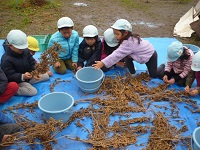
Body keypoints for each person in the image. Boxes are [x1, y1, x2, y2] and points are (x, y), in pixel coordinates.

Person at [92, 19, 158, 78]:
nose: (115, 36)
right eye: (114, 34)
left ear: (126, 33)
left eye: (117, 34)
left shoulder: (128, 43)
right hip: (137, 55)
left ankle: (162, 68)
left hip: (150, 56)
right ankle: (133, 74)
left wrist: (102, 63)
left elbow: (116, 54)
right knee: (127, 57)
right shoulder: (127, 38)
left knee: (153, 75)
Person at [1, 30, 49, 96]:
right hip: (18, 80)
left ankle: (28, 84)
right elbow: (9, 76)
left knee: (46, 75)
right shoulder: (6, 59)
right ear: (11, 46)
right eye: (20, 48)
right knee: (33, 91)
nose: (22, 50)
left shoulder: (25, 51)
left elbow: (32, 62)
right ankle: (14, 90)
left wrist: (34, 72)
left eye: (23, 48)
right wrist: (22, 76)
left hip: (29, 75)